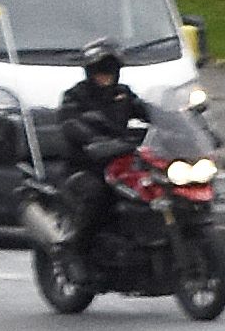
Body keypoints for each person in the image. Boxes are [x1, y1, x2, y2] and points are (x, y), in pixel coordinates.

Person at [53, 38, 152, 215]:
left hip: (122, 162)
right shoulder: (75, 96)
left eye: (110, 69)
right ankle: (76, 233)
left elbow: (147, 112)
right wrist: (94, 140)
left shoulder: (123, 93)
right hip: (85, 165)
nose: (105, 74)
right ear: (90, 71)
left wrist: (175, 121)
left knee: (152, 187)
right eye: (100, 69)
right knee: (96, 195)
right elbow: (71, 123)